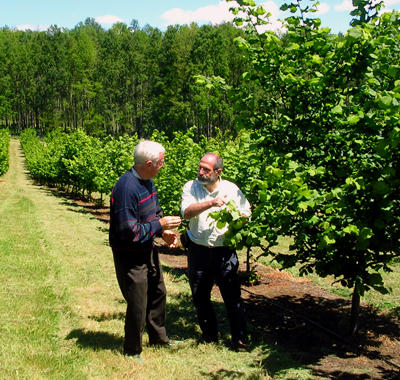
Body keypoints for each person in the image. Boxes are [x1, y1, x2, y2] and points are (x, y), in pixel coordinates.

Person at [109, 140, 182, 359]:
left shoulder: (148, 181)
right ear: (148, 163)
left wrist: (162, 232)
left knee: (158, 293)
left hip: (146, 248)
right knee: (138, 302)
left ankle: (159, 338)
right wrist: (158, 226)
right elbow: (128, 232)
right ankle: (132, 349)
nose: (163, 166)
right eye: (161, 162)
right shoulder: (126, 188)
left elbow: (154, 213)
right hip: (130, 255)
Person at [181, 153, 251, 352]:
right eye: (200, 167)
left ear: (218, 172)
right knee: (200, 295)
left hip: (223, 251)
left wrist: (238, 216)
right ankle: (209, 334)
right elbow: (186, 212)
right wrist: (212, 203)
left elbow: (246, 213)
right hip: (198, 249)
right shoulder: (191, 186)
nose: (200, 172)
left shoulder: (231, 189)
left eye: (206, 170)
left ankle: (239, 338)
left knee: (232, 297)